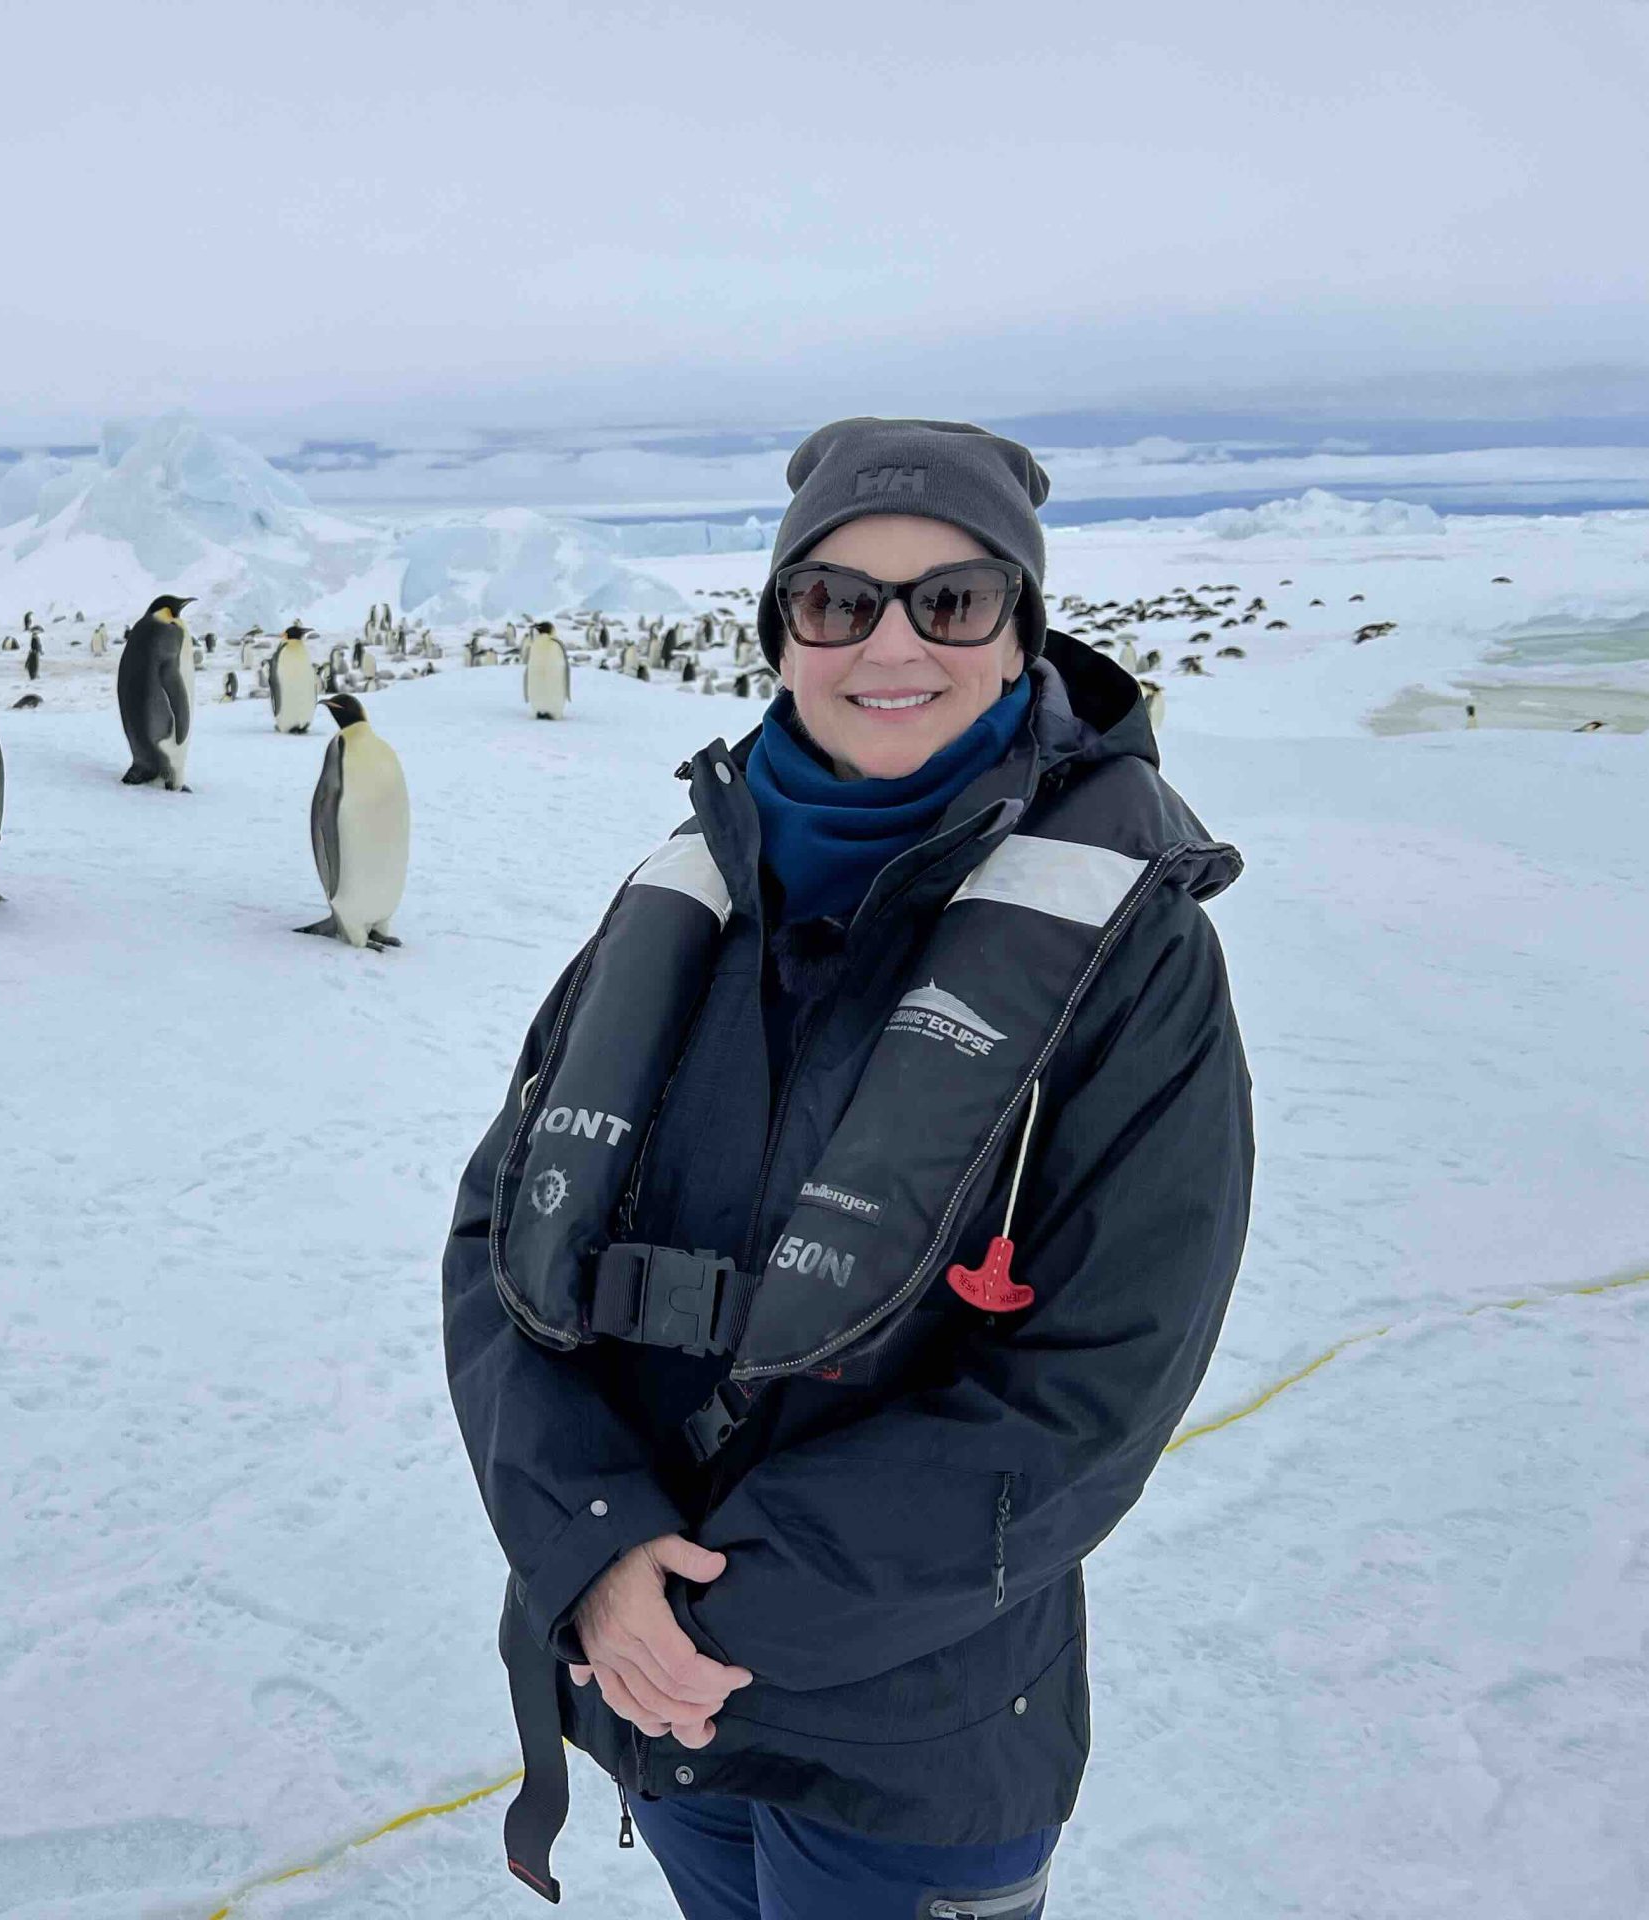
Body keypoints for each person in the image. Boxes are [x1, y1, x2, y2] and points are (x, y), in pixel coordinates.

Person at [444, 417, 1254, 1920]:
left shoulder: (1128, 954)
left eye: (952, 598)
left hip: (908, 1746)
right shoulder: (680, 900)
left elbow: (1095, 1381)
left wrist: (698, 1623)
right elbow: (505, 1244)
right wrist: (595, 1550)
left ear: (1019, 634)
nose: (892, 643)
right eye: (836, 599)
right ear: (781, 634)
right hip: (659, 1713)